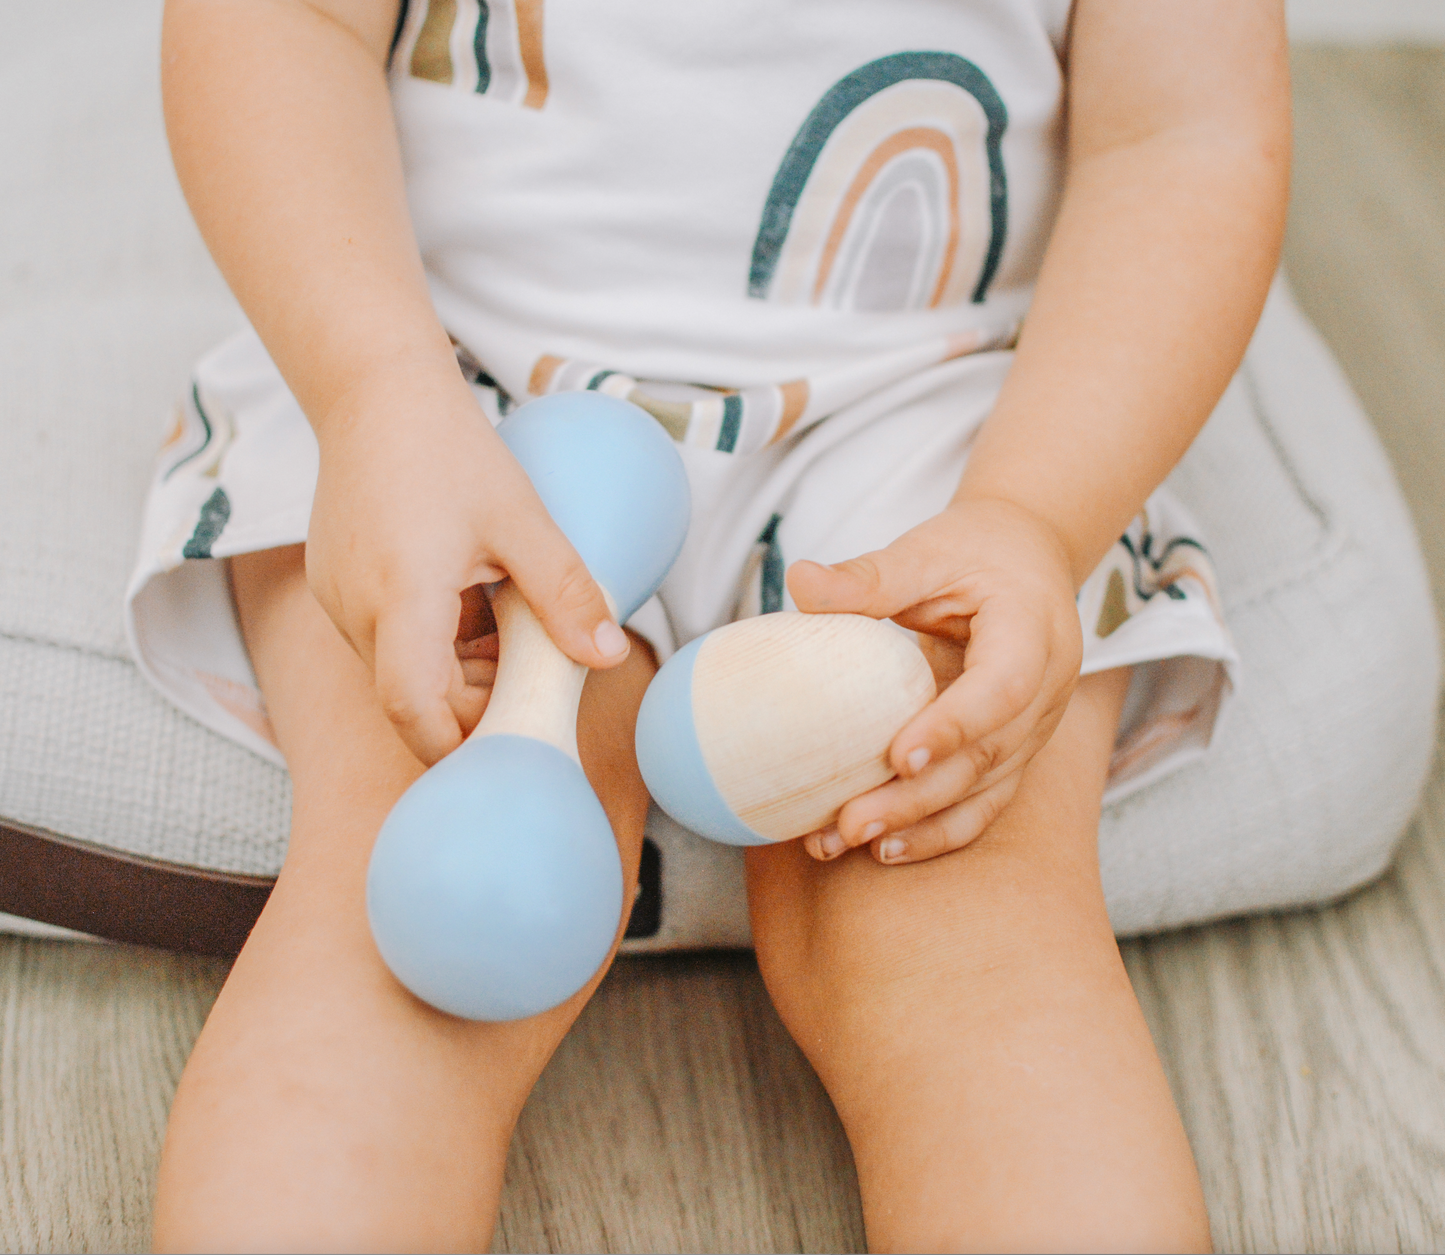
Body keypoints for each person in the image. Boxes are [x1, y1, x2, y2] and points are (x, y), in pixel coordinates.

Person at [129, 0, 1288, 1248]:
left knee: (963, 924)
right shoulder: (404, 392)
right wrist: (370, 387)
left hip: (948, 430)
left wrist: (1032, 514)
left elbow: (1181, 137)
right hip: (440, 388)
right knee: (425, 891)